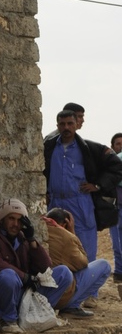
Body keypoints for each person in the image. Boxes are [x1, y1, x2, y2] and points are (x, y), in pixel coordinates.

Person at [0, 198, 74, 333]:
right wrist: (25, 278)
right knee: (8, 275)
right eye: (11, 219)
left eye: (20, 220)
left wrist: (32, 240)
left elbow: (46, 267)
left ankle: (38, 315)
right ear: (2, 220)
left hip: (23, 296)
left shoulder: (23, 240)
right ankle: (7, 320)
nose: (15, 224)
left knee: (64, 273)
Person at [43, 110, 122, 262]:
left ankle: (87, 284)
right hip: (55, 204)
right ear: (57, 125)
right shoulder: (48, 147)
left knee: (86, 252)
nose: (66, 127)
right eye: (62, 124)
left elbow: (116, 167)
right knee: (56, 250)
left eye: (70, 124)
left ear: (76, 125)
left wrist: (98, 185)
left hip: (81, 204)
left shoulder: (89, 148)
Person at [43, 207, 112, 315]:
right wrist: (72, 232)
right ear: (65, 223)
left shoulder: (39, 230)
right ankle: (72, 305)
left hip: (41, 293)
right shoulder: (66, 237)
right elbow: (83, 263)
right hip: (60, 297)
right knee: (104, 266)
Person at [109, 132, 122, 281]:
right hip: (114, 207)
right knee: (117, 241)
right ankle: (119, 271)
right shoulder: (110, 164)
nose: (121, 147)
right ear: (112, 146)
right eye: (118, 144)